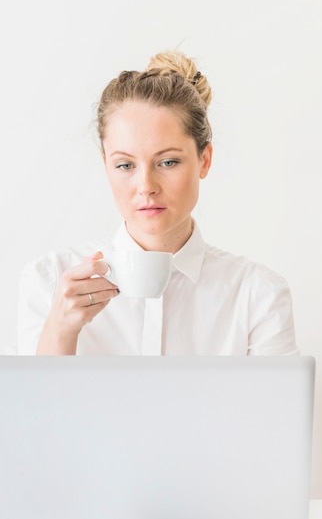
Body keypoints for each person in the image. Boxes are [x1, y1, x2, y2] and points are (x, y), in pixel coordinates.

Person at [17, 50, 298, 356]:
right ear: (106, 166)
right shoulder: (49, 281)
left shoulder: (257, 295)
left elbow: (272, 405)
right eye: (125, 165)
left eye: (167, 162)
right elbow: (32, 405)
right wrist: (61, 329)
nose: (146, 187)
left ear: (204, 160)